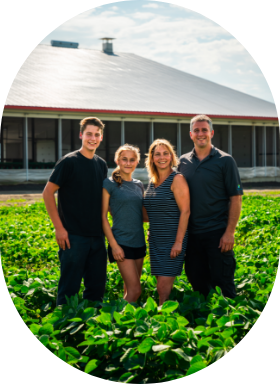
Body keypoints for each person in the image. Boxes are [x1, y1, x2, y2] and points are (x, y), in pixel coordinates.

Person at [42, 117, 108, 306]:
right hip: (73, 237)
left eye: (96, 134)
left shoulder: (101, 164)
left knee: (96, 289)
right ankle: (64, 329)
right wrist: (59, 228)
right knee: (69, 290)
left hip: (97, 237)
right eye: (89, 134)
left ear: (101, 137)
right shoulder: (69, 162)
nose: (92, 138)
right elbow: (47, 193)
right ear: (81, 135)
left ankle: (89, 329)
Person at [178, 114, 243, 299]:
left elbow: (236, 198)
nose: (200, 134)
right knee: (197, 283)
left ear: (211, 133)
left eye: (204, 130)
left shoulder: (225, 161)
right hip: (192, 237)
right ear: (190, 134)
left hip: (217, 233)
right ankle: (204, 325)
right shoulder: (182, 163)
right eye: (196, 130)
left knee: (223, 285)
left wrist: (229, 232)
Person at [143, 139, 190, 305]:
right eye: (157, 154)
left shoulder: (177, 179)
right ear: (152, 158)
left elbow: (185, 211)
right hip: (155, 240)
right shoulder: (152, 182)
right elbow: (150, 212)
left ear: (171, 157)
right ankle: (164, 315)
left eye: (165, 153)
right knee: (160, 285)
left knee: (163, 286)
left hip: (172, 241)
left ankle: (163, 318)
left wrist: (178, 243)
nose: (161, 157)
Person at [102, 144, 146, 303]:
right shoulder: (109, 184)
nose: (128, 163)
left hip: (139, 242)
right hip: (122, 242)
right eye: (124, 159)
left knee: (130, 288)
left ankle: (128, 324)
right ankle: (114, 323)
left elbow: (141, 215)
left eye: (132, 160)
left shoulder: (139, 185)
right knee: (135, 290)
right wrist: (114, 245)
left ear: (137, 162)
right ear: (117, 160)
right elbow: (103, 217)